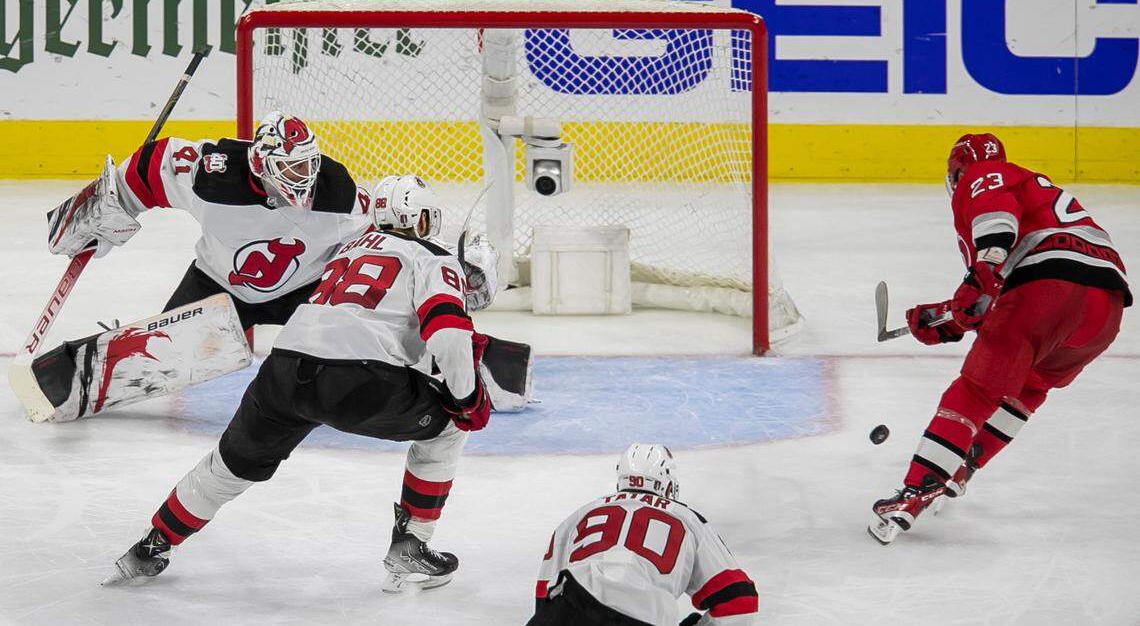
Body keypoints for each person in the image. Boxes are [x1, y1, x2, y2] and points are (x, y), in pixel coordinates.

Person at [103, 175, 492, 593]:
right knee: (449, 429)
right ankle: (413, 544)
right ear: (424, 219)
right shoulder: (433, 257)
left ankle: (152, 544)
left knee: (229, 466)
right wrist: (465, 397)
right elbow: (449, 334)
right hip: (360, 381)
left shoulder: (347, 249)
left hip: (283, 370)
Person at [869, 133, 1130, 545]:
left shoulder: (986, 173)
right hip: (1105, 311)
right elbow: (994, 300)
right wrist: (949, 316)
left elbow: (997, 225)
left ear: (958, 170)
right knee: (1030, 384)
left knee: (977, 389)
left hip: (1048, 289)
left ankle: (918, 490)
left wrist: (984, 269)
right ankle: (962, 466)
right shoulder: (1037, 193)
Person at [34, 112, 372, 421]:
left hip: (304, 289)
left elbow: (377, 245)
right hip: (217, 283)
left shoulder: (338, 194)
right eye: (291, 168)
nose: (304, 177)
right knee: (164, 355)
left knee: (341, 363)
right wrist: (103, 208)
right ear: (261, 164)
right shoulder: (213, 175)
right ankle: (67, 378)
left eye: (307, 165)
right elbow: (152, 166)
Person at [530, 444, 758, 625]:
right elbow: (740, 601)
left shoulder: (580, 514)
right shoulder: (688, 519)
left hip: (571, 605)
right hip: (645, 617)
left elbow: (545, 591)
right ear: (668, 484)